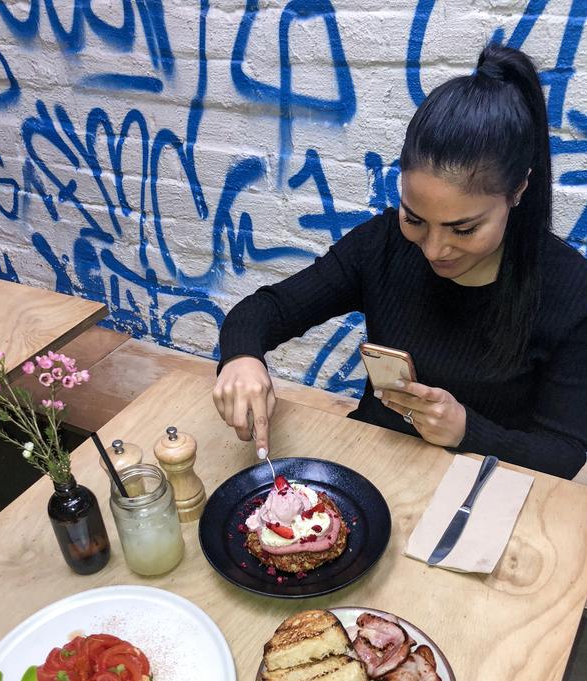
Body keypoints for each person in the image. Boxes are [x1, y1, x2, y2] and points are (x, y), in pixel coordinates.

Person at [213, 44, 587, 481]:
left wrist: (468, 430)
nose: (433, 249)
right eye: (415, 218)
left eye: (463, 229)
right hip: (373, 462)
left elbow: (563, 454)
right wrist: (241, 357)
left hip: (483, 485)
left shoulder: (569, 290)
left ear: (518, 191)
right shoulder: (383, 243)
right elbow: (267, 310)